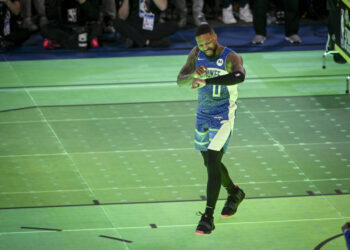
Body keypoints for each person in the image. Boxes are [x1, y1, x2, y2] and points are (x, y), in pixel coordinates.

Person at [177, 23, 246, 235]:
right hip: (203, 115)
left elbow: (239, 76)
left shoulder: (230, 57)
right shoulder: (195, 54)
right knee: (209, 162)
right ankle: (234, 193)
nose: (205, 46)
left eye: (208, 41)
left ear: (215, 37)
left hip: (224, 116)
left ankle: (208, 217)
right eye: (200, 43)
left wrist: (206, 81)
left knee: (214, 160)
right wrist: (192, 76)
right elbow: (180, 82)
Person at [114, 0, 178, 48]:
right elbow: (122, 16)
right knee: (117, 23)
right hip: (134, 26)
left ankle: (136, 40)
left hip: (152, 26)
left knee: (173, 25)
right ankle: (149, 42)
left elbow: (163, 7)